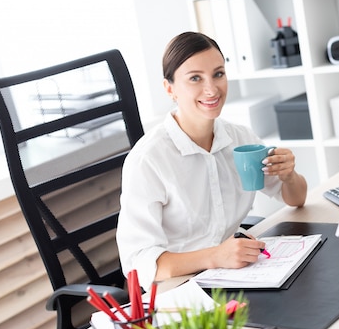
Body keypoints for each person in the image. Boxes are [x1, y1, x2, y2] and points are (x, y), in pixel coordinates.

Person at [116, 31, 307, 290]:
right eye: (195, 78)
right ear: (169, 88)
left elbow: (295, 199)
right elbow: (137, 262)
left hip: (233, 274)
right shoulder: (148, 159)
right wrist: (216, 256)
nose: (212, 89)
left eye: (218, 74)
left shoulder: (240, 138)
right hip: (177, 288)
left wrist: (289, 176)